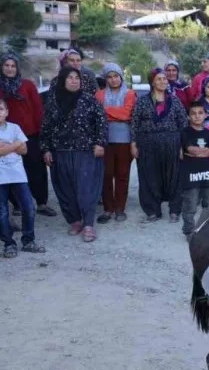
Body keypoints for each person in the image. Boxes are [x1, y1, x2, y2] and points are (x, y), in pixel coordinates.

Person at [41, 67, 107, 242]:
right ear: (63, 80)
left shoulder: (89, 100)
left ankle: (88, 224)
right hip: (60, 151)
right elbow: (46, 127)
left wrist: (100, 143)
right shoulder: (52, 101)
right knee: (65, 189)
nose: (74, 80)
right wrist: (46, 149)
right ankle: (75, 220)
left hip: (85, 151)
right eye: (70, 78)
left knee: (86, 189)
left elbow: (101, 123)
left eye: (76, 78)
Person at [0, 97, 46, 257]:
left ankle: (28, 240)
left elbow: (24, 150)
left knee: (29, 207)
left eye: (1, 108)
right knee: (2, 211)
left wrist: (6, 144)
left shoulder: (15, 128)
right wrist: (15, 144)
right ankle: (8, 243)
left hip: (18, 174)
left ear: (7, 112)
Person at [0, 53, 56, 217]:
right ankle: (17, 204)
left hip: (31, 135)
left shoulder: (27, 85)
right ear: (1, 67)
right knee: (12, 171)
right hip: (6, 137)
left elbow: (37, 109)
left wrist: (41, 132)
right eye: (6, 65)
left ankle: (41, 202)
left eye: (13, 66)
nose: (10, 69)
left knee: (37, 170)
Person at [131, 68, 188, 223]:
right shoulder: (142, 101)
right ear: (152, 82)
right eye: (159, 79)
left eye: (164, 79)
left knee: (174, 176)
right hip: (148, 143)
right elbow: (135, 123)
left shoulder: (174, 100)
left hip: (172, 142)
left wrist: (183, 146)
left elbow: (183, 124)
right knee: (149, 176)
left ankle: (175, 210)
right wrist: (134, 143)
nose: (163, 81)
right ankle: (152, 210)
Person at [96, 63, 138, 224]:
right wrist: (116, 113)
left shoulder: (130, 93)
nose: (113, 80)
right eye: (109, 77)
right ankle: (108, 208)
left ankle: (120, 208)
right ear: (105, 79)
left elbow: (127, 114)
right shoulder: (99, 94)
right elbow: (97, 115)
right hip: (105, 140)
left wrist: (105, 111)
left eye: (116, 76)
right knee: (106, 175)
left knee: (122, 175)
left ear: (121, 76)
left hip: (124, 140)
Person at [180, 102, 209, 236]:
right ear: (188, 117)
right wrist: (204, 151)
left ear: (206, 115)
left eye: (200, 113)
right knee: (190, 204)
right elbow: (190, 149)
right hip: (191, 174)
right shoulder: (185, 132)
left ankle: (207, 228)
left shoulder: (208, 133)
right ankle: (189, 230)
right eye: (193, 113)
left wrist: (201, 152)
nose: (197, 116)